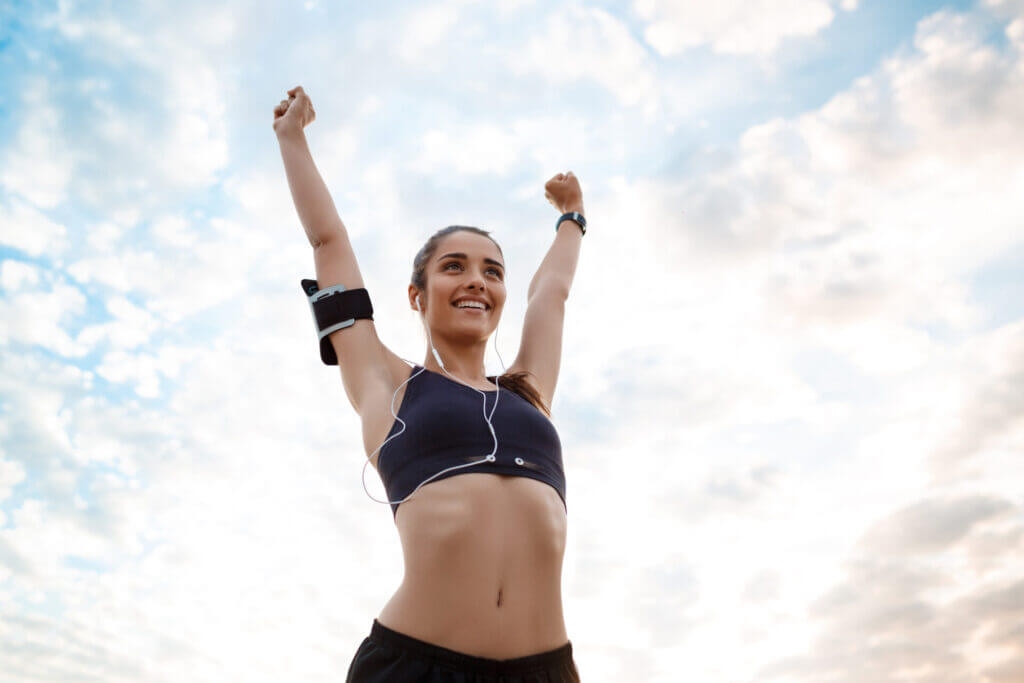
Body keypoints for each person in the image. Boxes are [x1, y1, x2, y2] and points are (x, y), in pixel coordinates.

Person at [274, 86, 585, 682]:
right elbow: (328, 242)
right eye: (454, 266)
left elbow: (551, 295)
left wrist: (571, 217)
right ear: (416, 295)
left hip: (545, 670)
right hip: (416, 667)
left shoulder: (527, 390)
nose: (477, 280)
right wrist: (292, 139)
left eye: (492, 271)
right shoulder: (385, 381)